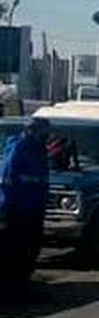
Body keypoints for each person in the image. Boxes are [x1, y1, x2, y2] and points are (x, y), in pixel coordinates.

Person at [0, 118, 48, 302]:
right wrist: (7, 207)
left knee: (31, 250)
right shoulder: (20, 146)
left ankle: (24, 287)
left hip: (35, 207)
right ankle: (15, 290)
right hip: (19, 209)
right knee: (18, 251)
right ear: (33, 130)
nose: (46, 135)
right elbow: (7, 178)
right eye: (43, 131)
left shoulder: (39, 149)